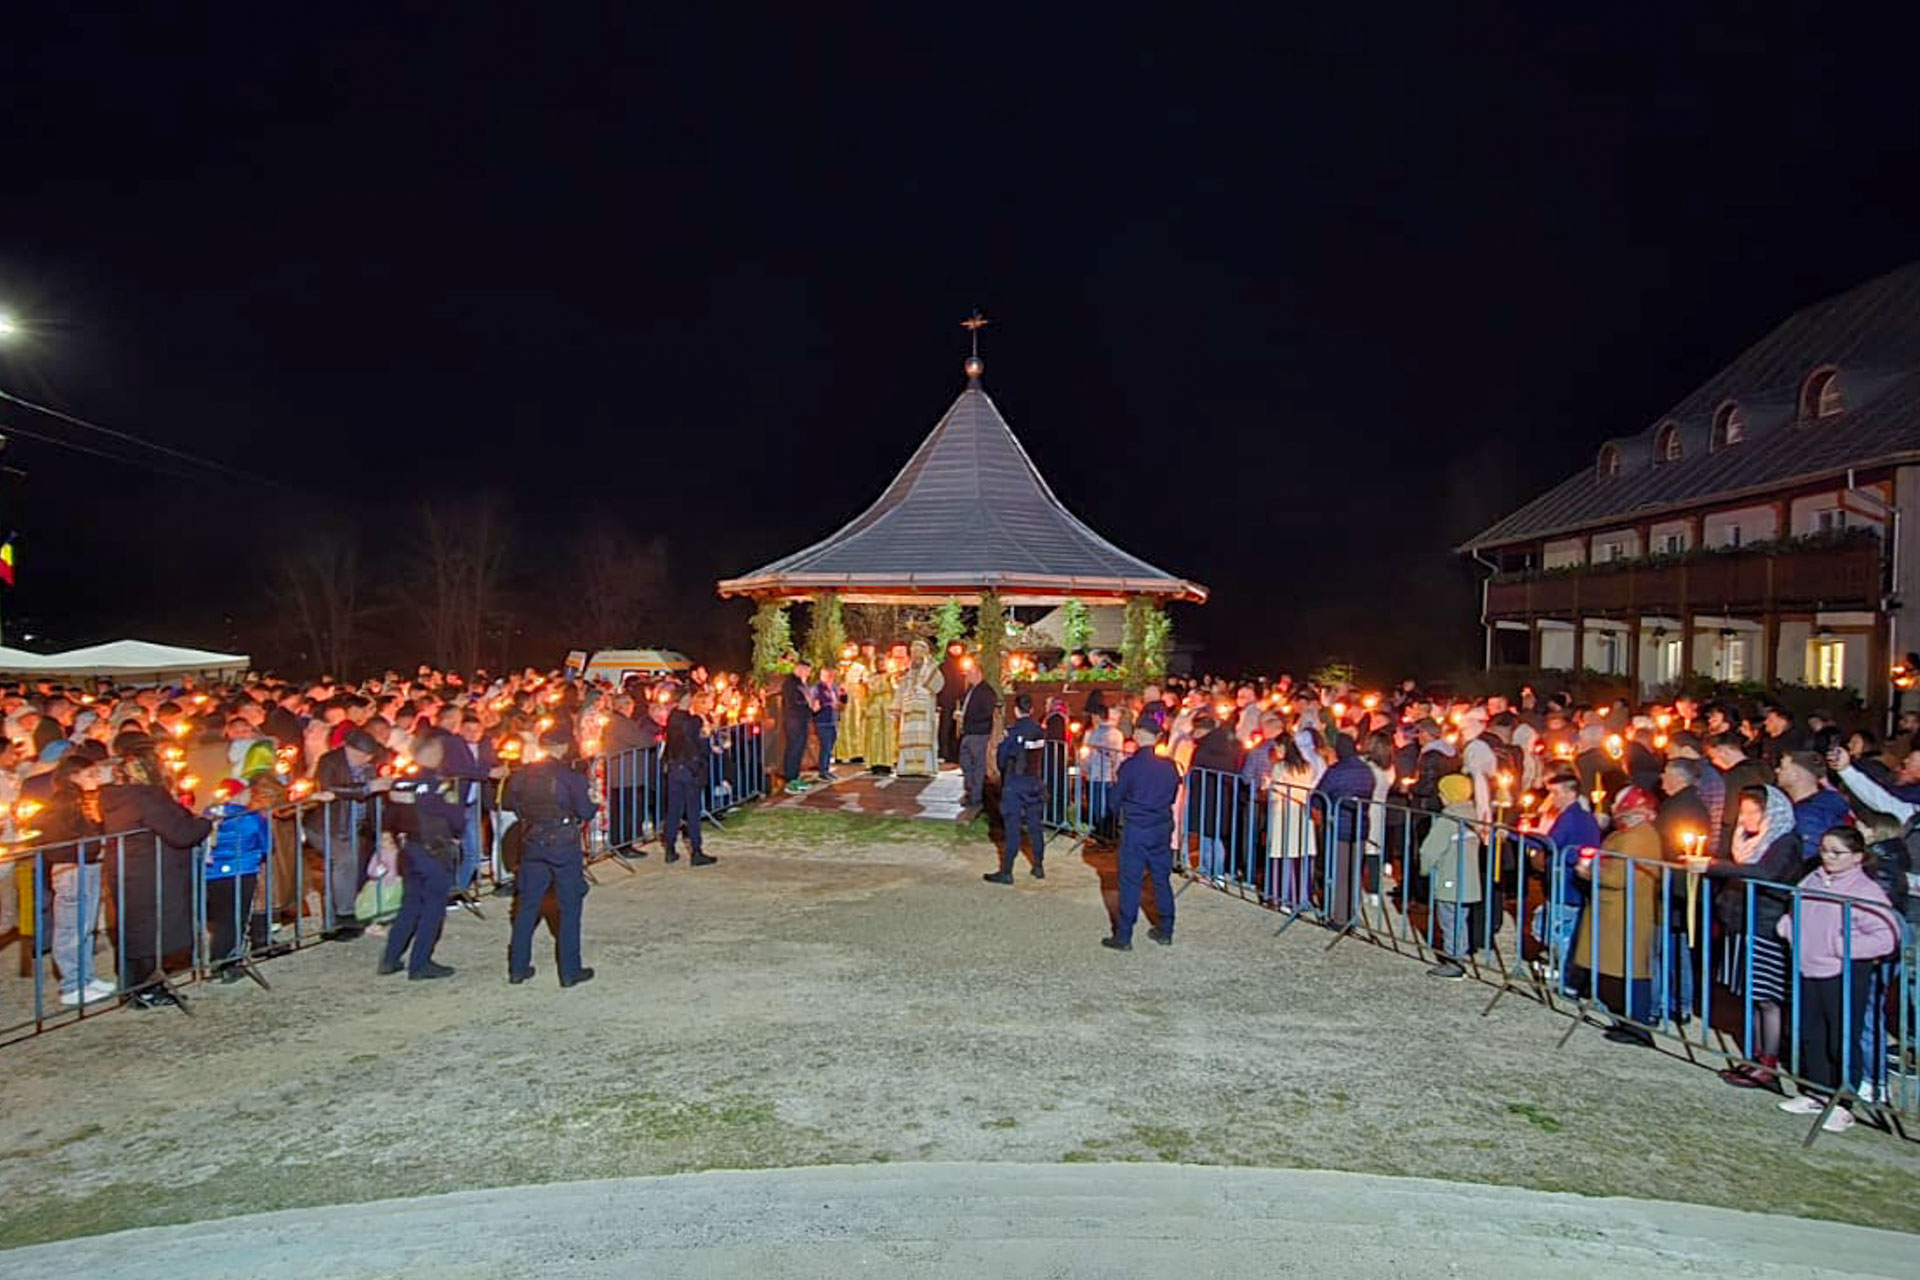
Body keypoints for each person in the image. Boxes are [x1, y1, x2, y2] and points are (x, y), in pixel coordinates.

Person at [1777, 825, 1902, 1133]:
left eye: (1836, 852)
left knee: (1841, 1037)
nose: (1828, 857)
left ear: (1857, 857)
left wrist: (1841, 948)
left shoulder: (1866, 891)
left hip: (1843, 973)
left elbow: (1887, 936)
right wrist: (1789, 930)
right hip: (1808, 967)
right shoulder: (1813, 878)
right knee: (1811, 1034)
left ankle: (1842, 1102)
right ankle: (1817, 1092)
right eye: (1824, 850)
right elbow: (1796, 909)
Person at [1691, 785, 1800, 1090]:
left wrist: (1715, 867)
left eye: (1754, 811)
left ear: (1771, 813)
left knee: (1766, 998)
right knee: (1749, 994)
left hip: (1765, 925)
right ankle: (1753, 1056)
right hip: (1741, 922)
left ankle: (1768, 1062)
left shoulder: (1785, 842)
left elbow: (1766, 874)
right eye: (1744, 811)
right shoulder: (1747, 842)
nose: (1747, 818)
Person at [101, 733, 214, 1009]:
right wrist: (206, 822)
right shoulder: (146, 797)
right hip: (152, 872)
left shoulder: (115, 796)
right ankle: (145, 988)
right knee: (151, 931)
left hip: (130, 869)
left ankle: (136, 986)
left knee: (135, 928)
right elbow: (180, 833)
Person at [505, 724, 597, 987]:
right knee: (569, 905)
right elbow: (586, 811)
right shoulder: (569, 776)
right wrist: (594, 800)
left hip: (532, 840)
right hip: (563, 842)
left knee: (527, 906)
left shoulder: (522, 775)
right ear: (562, 747)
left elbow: (511, 803)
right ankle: (570, 970)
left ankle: (518, 967)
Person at [1570, 785, 1663, 1046]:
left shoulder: (1638, 838)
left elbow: (1619, 876)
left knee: (1632, 970)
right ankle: (1628, 1022)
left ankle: (1638, 1026)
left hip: (1625, 912)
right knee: (1621, 970)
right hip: (1615, 911)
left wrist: (1589, 872)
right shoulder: (1629, 834)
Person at [377, 735, 465, 980]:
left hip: (408, 849)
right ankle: (420, 962)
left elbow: (389, 817)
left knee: (410, 905)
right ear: (434, 752)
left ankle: (391, 958)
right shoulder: (439, 784)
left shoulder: (400, 784)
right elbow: (456, 817)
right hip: (433, 850)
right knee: (433, 908)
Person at [1103, 724, 1181, 950]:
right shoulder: (1169, 767)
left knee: (1130, 880)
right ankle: (1166, 929)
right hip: (1161, 827)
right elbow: (1173, 795)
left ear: (1136, 737)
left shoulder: (1130, 767)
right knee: (1161, 878)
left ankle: (1124, 936)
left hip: (1137, 828)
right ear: (1157, 738)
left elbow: (1114, 801)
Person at [312, 728, 392, 938]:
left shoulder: (368, 766)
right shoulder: (329, 761)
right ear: (348, 748)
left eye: (368, 756)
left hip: (360, 823)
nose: (365, 760)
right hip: (330, 824)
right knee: (343, 863)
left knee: (354, 868)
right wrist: (367, 788)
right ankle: (342, 916)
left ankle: (346, 917)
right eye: (361, 755)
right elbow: (329, 787)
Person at [201, 778, 271, 981]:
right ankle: (228, 961)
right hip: (243, 869)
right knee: (237, 917)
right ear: (240, 794)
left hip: (213, 873)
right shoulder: (251, 817)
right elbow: (266, 843)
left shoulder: (209, 816)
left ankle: (218, 960)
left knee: (222, 918)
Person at [1419, 774, 1482, 978]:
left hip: (1449, 878)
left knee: (1449, 919)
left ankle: (1454, 960)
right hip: (1469, 880)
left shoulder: (1447, 821)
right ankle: (1460, 954)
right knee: (1460, 919)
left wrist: (1424, 869)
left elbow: (1429, 850)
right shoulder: (1474, 817)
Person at [986, 693, 1045, 884]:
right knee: (1035, 827)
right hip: (1034, 783)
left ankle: (1007, 871)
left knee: (1012, 828)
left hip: (1015, 784)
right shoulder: (1039, 731)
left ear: (1015, 710)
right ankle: (1038, 866)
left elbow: (1002, 759)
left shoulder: (1013, 733)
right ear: (1032, 710)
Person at [663, 690, 718, 866]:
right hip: (690, 769)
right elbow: (700, 745)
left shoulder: (673, 719)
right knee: (693, 811)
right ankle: (696, 851)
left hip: (674, 767)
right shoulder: (695, 721)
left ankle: (670, 849)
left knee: (674, 810)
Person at [893, 641, 943, 777]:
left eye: (918, 652)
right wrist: (896, 708)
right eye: (913, 652)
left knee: (923, 740)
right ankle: (907, 768)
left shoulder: (931, 669)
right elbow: (901, 689)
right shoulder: (908, 671)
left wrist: (924, 685)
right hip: (908, 712)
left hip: (924, 711)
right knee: (907, 740)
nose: (915, 656)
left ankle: (925, 768)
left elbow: (939, 685)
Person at [956, 662, 997, 810]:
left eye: (970, 672)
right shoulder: (971, 690)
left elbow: (986, 713)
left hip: (979, 733)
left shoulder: (986, 691)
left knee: (978, 764)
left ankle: (976, 796)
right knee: (965, 762)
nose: (967, 675)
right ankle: (970, 790)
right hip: (968, 732)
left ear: (979, 673)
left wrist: (967, 718)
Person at [778, 658, 816, 792]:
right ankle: (790, 779)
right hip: (794, 720)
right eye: (806, 671)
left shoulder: (802, 683)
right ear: (799, 669)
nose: (808, 674)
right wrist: (810, 705)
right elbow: (794, 702)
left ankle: (795, 776)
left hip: (802, 720)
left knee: (799, 749)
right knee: (794, 749)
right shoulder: (790, 684)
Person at [937, 641, 967, 766]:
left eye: (958, 648)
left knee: (959, 728)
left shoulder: (964, 666)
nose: (956, 651)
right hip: (946, 701)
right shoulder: (943, 667)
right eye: (953, 648)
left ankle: (957, 754)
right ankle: (944, 752)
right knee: (946, 727)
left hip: (960, 701)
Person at [811, 666, 843, 781]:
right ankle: (823, 771)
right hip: (823, 721)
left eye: (831, 676)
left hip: (833, 720)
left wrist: (841, 701)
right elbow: (815, 705)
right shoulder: (817, 689)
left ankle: (826, 769)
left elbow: (839, 701)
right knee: (825, 746)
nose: (830, 678)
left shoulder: (834, 688)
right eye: (827, 676)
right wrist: (828, 705)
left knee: (830, 747)